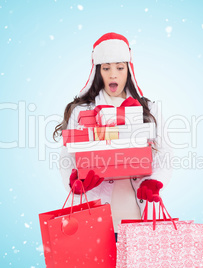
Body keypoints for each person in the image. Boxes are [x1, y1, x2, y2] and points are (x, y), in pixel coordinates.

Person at [53, 32, 173, 237]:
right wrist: (74, 182)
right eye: (106, 68)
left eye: (119, 67)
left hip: (137, 219)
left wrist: (153, 182)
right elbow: (67, 157)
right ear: (98, 71)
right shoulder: (81, 111)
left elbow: (165, 154)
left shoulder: (149, 109)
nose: (113, 75)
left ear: (129, 69)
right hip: (95, 219)